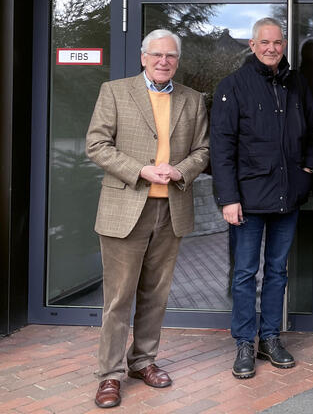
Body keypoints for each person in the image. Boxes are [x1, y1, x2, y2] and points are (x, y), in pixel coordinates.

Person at [86, 29, 210, 408]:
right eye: (156, 54)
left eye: (170, 56)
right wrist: (140, 170)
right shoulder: (115, 92)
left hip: (170, 209)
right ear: (143, 57)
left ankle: (143, 361)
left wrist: (180, 170)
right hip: (125, 208)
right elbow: (96, 144)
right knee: (118, 297)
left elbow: (203, 150)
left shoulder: (192, 99)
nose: (163, 61)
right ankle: (110, 374)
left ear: (177, 61)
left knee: (156, 294)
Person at [210, 17, 313, 379]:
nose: (272, 48)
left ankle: (270, 338)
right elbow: (221, 148)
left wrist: (307, 171)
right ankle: (245, 342)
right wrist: (228, 198)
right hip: (247, 200)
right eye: (265, 42)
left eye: (277, 43)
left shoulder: (296, 84)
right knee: (245, 273)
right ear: (253, 45)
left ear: (283, 45)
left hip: (287, 198)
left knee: (277, 271)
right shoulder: (234, 86)